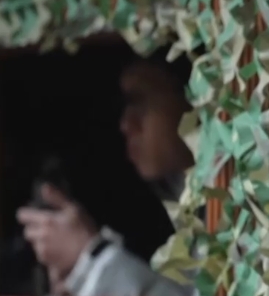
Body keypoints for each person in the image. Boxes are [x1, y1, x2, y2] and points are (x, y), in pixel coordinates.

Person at [16, 48, 196, 296]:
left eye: (140, 101)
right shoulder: (167, 205)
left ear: (194, 98)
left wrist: (91, 261)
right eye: (124, 105)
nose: (126, 124)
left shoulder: (235, 205)